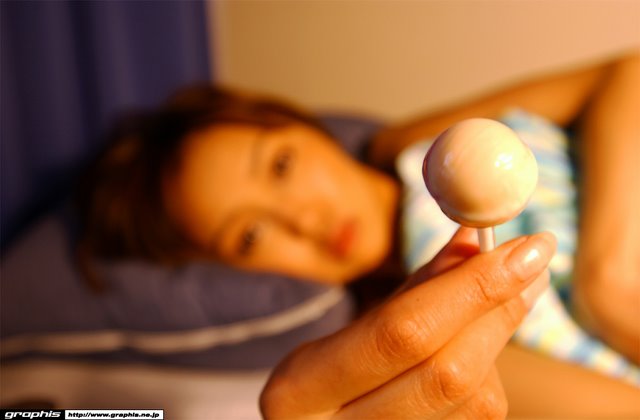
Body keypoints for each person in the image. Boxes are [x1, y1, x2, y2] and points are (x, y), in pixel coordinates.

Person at [76, 52, 640, 418]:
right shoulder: (428, 348)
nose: (303, 219)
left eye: (280, 166)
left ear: (304, 125)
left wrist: (607, 280)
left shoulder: (409, 145)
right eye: (249, 236)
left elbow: (627, 74)